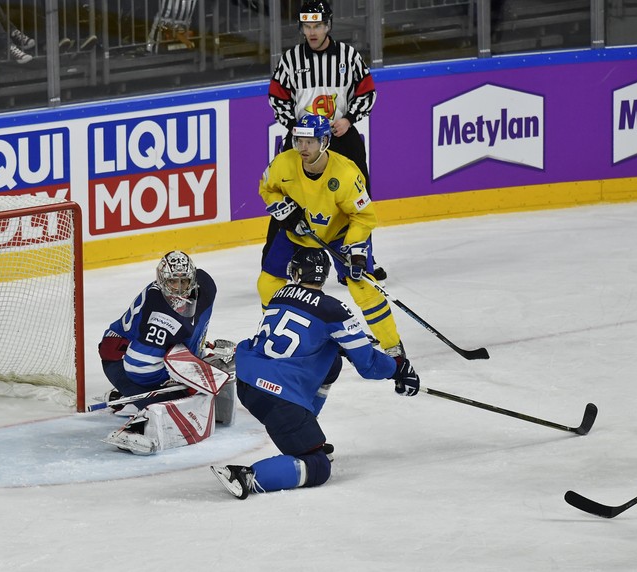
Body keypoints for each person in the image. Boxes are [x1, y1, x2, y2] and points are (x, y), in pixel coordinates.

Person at [211, 247, 420, 499]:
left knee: (332, 362)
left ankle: (306, 427)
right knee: (318, 467)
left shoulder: (280, 294)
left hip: (247, 380)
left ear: (296, 273)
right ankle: (246, 476)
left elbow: (305, 334)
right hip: (278, 397)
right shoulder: (334, 310)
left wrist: (340, 345)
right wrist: (398, 367)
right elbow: (369, 366)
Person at [257, 112, 408, 363]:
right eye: (299, 141)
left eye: (310, 142)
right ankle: (273, 332)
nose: (303, 148)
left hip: (340, 234)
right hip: (298, 231)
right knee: (268, 283)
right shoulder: (284, 163)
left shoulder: (347, 174)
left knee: (363, 287)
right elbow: (267, 188)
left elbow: (364, 217)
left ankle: (392, 346)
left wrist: (356, 251)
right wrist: (286, 212)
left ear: (324, 141)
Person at [265, 0, 387, 281]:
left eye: (317, 25)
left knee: (357, 200)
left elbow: (366, 90)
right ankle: (276, 264)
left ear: (328, 25)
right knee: (287, 197)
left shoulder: (348, 56)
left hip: (341, 137)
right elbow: (277, 97)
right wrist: (296, 128)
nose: (312, 32)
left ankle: (359, 260)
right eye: (307, 26)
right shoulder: (291, 60)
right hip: (303, 142)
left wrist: (349, 118)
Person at [97, 250, 235, 454]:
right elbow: (137, 368)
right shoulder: (158, 316)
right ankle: (133, 403)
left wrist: (196, 356)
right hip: (122, 359)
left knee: (222, 367)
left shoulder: (206, 286)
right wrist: (179, 382)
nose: (179, 289)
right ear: (162, 281)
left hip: (155, 352)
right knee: (175, 397)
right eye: (173, 282)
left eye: (184, 282)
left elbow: (191, 329)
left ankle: (126, 398)